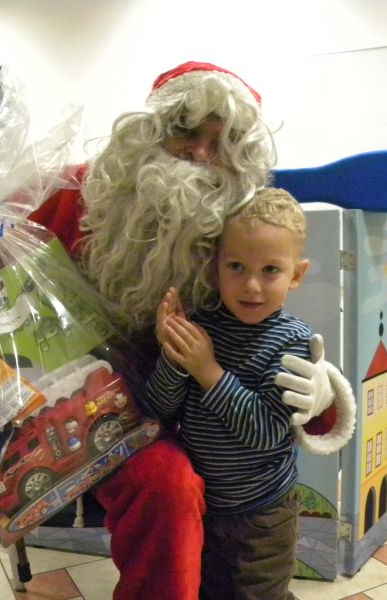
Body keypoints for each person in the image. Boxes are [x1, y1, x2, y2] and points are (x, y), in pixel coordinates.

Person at [0, 61, 355, 600]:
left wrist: (323, 394)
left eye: (222, 142)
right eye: (185, 130)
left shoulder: (234, 233)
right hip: (26, 413)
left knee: (171, 492)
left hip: (146, 426)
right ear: (147, 132)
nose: (199, 153)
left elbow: (269, 334)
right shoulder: (71, 193)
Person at [147, 187, 316, 600]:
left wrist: (208, 370)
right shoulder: (203, 325)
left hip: (265, 512)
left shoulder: (293, 341)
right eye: (236, 266)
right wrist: (174, 353)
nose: (251, 285)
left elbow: (266, 434)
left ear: (296, 275)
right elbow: (159, 409)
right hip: (206, 506)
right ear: (215, 267)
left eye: (270, 270)